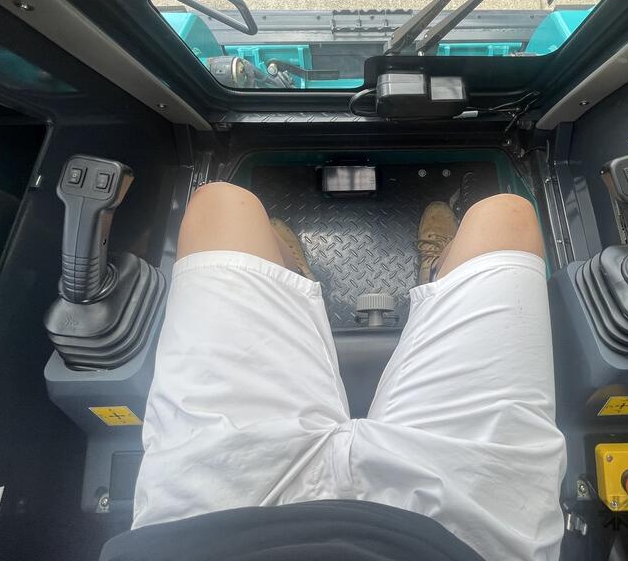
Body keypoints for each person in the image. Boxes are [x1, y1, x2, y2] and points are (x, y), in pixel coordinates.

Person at [116, 182, 566, 561]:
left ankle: (294, 280)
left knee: (219, 206)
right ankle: (433, 276)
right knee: (507, 217)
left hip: (215, 518)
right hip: (462, 534)